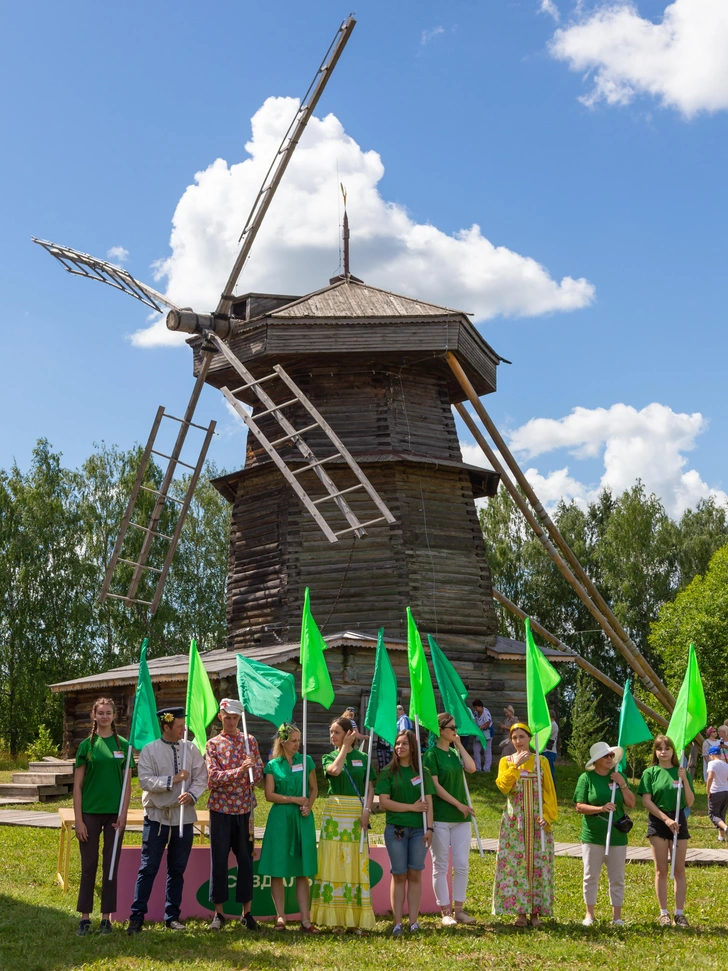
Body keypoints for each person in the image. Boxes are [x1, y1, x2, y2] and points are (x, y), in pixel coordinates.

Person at [127, 707, 207, 934]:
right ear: (166, 726)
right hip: (157, 818)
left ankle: (172, 916)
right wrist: (174, 779)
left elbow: (201, 777)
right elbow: (145, 781)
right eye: (180, 726)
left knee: (177, 869)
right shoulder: (150, 751)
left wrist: (192, 794)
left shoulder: (190, 749)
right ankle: (137, 916)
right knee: (148, 868)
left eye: (184, 725)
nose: (184, 729)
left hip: (184, 818)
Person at [73, 697, 133, 936]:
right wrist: (78, 820)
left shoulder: (124, 745)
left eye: (109, 712)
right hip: (89, 814)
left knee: (110, 866)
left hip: (114, 817)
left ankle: (106, 918)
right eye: (101, 713)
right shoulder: (86, 746)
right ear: (94, 716)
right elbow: (77, 786)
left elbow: (128, 786)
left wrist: (124, 815)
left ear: (114, 716)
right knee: (88, 866)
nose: (105, 716)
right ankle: (85, 918)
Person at [311, 716, 376, 932]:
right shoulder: (329, 756)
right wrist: (344, 749)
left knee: (355, 862)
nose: (332, 736)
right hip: (335, 813)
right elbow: (335, 771)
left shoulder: (364, 758)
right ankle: (335, 919)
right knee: (334, 861)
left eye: (337, 732)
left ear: (349, 734)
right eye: (331, 732)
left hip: (357, 814)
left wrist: (367, 811)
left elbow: (369, 788)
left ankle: (354, 918)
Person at [205, 698, 264, 931]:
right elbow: (213, 778)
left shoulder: (250, 741)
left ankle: (246, 913)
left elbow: (259, 773)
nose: (231, 721)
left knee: (246, 861)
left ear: (240, 719)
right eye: (227, 717)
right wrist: (240, 771)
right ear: (220, 717)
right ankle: (218, 914)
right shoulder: (213, 744)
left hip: (245, 810)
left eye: (235, 717)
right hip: (220, 809)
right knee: (218, 861)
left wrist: (252, 768)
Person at [493, 722, 557, 927]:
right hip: (515, 823)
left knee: (538, 864)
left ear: (530, 739)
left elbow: (550, 792)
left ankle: (536, 912)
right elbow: (503, 787)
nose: (518, 741)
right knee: (516, 866)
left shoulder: (542, 762)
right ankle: (520, 912)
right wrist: (515, 766)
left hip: (538, 822)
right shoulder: (506, 761)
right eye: (514, 738)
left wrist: (547, 815)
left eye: (522, 737)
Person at [258, 723, 319, 932]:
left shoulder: (307, 761)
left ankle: (305, 919)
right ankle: (281, 917)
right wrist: (294, 799)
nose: (297, 745)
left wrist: (308, 806)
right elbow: (269, 795)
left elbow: (314, 789)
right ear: (283, 741)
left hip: (302, 819)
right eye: (293, 741)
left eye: (298, 741)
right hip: (280, 820)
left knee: (302, 871)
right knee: (278, 869)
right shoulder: (273, 765)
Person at [375, 729, 434, 936]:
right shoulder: (388, 772)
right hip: (396, 830)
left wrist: (430, 828)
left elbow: (428, 802)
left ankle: (414, 922)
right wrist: (411, 808)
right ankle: (397, 923)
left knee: (415, 874)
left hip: (420, 831)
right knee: (399, 875)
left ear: (412, 747)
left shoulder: (423, 772)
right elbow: (384, 802)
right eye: (397, 744)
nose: (400, 747)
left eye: (404, 744)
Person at [573, 741, 636, 926]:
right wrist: (601, 808)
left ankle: (617, 917)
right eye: (606, 756)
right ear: (596, 760)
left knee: (617, 877)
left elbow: (632, 804)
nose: (610, 758)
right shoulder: (586, 778)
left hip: (617, 836)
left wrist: (623, 784)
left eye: (611, 755)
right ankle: (589, 915)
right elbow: (579, 807)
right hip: (592, 835)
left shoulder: (618, 776)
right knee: (590, 875)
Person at [422, 712, 477, 926]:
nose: (456, 731)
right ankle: (445, 912)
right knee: (441, 865)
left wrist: (459, 745)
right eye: (452, 728)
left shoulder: (455, 753)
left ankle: (459, 910)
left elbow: (471, 768)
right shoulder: (431, 755)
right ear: (440, 730)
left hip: (461, 819)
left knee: (462, 864)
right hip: (442, 816)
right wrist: (458, 804)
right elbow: (435, 787)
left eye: (455, 728)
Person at [637, 734, 695, 928]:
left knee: (679, 869)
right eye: (659, 748)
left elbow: (690, 801)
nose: (663, 752)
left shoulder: (681, 772)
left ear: (673, 751)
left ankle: (679, 913)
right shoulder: (650, 773)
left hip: (679, 820)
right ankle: (663, 913)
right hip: (659, 821)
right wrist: (666, 819)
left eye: (667, 748)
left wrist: (684, 779)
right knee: (661, 870)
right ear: (655, 751)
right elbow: (646, 801)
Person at [706, 744, 728, 843]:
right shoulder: (726, 764)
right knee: (721, 814)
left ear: (711, 755)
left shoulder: (712, 763)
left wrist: (708, 791)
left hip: (716, 791)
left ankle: (726, 828)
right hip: (726, 791)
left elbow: (710, 777)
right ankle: (721, 837)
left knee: (713, 814)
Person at [471, 699, 492, 773]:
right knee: (476, 750)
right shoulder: (476, 713)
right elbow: (474, 720)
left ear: (480, 706)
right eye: (474, 707)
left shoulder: (486, 712)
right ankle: (477, 768)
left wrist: (479, 728)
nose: (475, 709)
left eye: (476, 707)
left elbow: (487, 723)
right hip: (478, 734)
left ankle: (486, 769)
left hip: (487, 734)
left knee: (487, 751)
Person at [544, 710, 559, 780]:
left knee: (549, 772)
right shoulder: (551, 724)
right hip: (547, 750)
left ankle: (553, 789)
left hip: (549, 751)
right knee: (546, 771)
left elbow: (545, 734)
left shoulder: (553, 725)